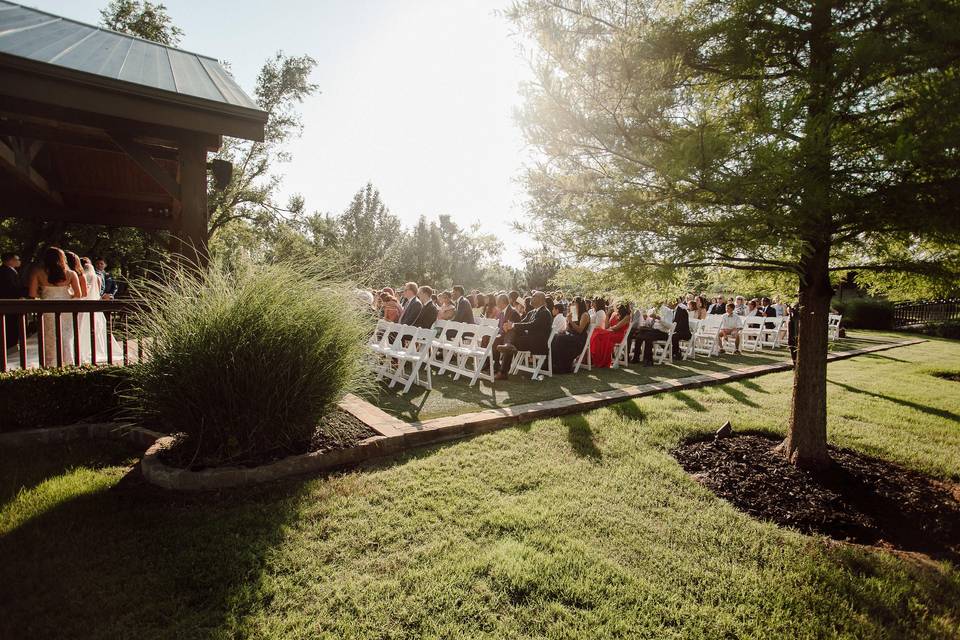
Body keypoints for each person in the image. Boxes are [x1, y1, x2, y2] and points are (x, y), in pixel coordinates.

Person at [28, 247, 83, 365]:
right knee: (67, 336)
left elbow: (32, 294)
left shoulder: (38, 272)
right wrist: (67, 295)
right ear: (62, 258)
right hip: (66, 308)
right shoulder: (71, 274)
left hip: (47, 308)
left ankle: (51, 363)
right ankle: (68, 362)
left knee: (50, 336)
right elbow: (79, 294)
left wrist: (44, 293)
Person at [493, 291, 552, 380]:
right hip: (528, 340)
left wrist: (512, 325)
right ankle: (499, 366)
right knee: (506, 337)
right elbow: (521, 323)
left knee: (511, 340)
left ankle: (503, 372)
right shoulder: (531, 312)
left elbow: (532, 325)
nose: (531, 298)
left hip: (538, 343)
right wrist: (509, 326)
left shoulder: (545, 312)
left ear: (540, 300)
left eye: (533, 296)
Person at [551, 297, 591, 374]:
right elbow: (569, 329)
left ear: (579, 304)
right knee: (556, 336)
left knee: (560, 338)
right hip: (572, 336)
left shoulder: (584, 315)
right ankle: (554, 364)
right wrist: (566, 326)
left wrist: (570, 321)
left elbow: (580, 330)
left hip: (579, 339)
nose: (572, 305)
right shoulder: (575, 313)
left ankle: (563, 367)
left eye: (574, 303)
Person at [589, 302, 631, 368]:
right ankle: (596, 359)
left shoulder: (627, 317)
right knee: (596, 333)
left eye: (616, 305)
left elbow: (617, 327)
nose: (614, 306)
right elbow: (606, 326)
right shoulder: (614, 314)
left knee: (599, 335)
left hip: (618, 335)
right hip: (610, 332)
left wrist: (609, 329)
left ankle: (602, 361)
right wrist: (608, 315)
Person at [1, 252, 25, 349]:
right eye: (17, 259)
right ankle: (11, 345)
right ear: (11, 261)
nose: (19, 261)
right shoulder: (6, 272)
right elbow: (11, 288)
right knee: (10, 325)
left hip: (9, 302)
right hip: (9, 302)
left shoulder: (10, 271)